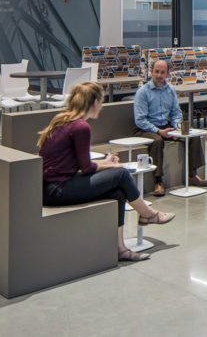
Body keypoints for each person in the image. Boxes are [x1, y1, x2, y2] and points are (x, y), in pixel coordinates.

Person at [39, 82, 175, 262]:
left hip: (52, 187)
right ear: (94, 102)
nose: (101, 107)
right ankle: (149, 214)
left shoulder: (63, 121)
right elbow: (86, 168)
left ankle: (121, 250)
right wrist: (112, 166)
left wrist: (104, 162)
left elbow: (79, 164)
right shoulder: (80, 127)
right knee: (121, 174)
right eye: (101, 102)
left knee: (118, 193)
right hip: (58, 189)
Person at [133, 59, 207, 197]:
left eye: (162, 72)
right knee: (157, 141)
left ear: (168, 74)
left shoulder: (170, 90)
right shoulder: (143, 92)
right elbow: (140, 120)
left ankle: (192, 174)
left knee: (193, 136)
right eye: (156, 71)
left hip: (166, 125)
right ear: (151, 72)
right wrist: (159, 131)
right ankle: (158, 181)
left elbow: (176, 112)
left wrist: (176, 128)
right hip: (147, 128)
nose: (159, 75)